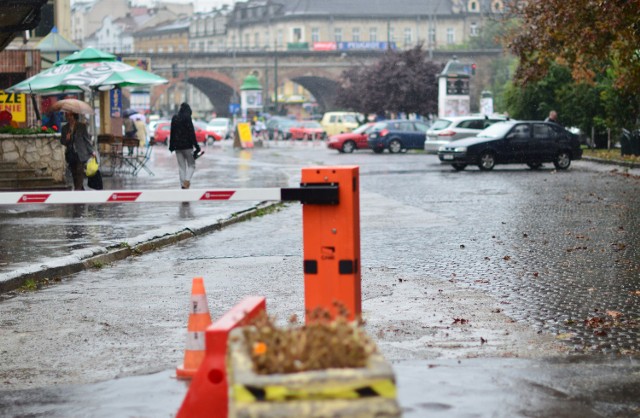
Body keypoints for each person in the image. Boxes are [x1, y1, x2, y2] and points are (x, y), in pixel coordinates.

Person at [60, 112, 95, 191]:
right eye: (67, 116)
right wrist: (67, 139)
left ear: (74, 116)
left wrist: (92, 151)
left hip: (81, 153)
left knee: (80, 172)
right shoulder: (65, 128)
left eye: (70, 115)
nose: (68, 117)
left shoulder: (81, 126)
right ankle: (80, 189)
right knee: (74, 173)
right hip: (71, 154)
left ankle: (78, 190)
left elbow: (87, 140)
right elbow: (62, 142)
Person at [169, 102, 200, 189]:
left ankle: (183, 185)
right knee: (191, 165)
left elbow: (172, 133)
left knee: (181, 167)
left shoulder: (175, 118)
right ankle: (187, 180)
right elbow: (191, 133)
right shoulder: (187, 118)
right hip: (187, 146)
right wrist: (196, 146)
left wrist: (171, 146)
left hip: (177, 147)